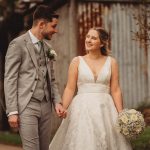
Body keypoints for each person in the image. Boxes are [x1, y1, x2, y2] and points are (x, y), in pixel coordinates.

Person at [49, 27, 132, 150]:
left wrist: (121, 114)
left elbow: (115, 90)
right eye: (88, 37)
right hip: (82, 109)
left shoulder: (111, 62)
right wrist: (64, 107)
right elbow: (70, 88)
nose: (88, 40)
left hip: (105, 109)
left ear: (102, 43)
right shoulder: (76, 61)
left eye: (93, 38)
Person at [4, 5, 65, 150]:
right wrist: (12, 111)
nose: (55, 30)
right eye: (54, 26)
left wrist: (57, 102)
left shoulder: (48, 48)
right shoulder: (17, 44)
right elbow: (10, 78)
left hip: (46, 106)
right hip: (26, 105)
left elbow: (52, 80)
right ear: (42, 24)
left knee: (44, 148)